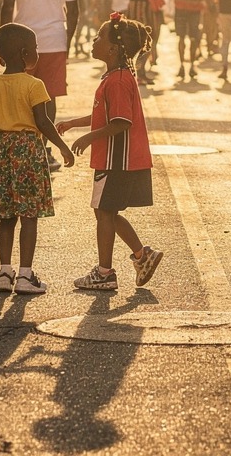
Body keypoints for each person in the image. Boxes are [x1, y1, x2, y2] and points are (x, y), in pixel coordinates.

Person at [0, 24, 75, 295]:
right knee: (29, 215)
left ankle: (4, 273)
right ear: (24, 54)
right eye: (35, 50)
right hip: (28, 151)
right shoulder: (35, 85)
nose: (38, 54)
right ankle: (25, 275)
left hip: (1, 151)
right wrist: (63, 147)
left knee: (6, 216)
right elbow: (43, 122)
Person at [61, 15, 163, 291]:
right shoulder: (117, 76)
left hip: (117, 158)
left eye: (99, 37)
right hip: (120, 158)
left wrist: (88, 137)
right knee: (107, 212)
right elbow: (103, 115)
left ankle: (105, 272)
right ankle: (143, 256)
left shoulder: (117, 80)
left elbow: (120, 122)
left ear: (113, 48)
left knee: (104, 212)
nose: (94, 41)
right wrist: (73, 123)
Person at [0, 0, 82, 114]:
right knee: (48, 96)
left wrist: (4, 45)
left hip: (21, 44)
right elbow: (74, 12)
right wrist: (66, 42)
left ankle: (24, 140)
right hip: (54, 42)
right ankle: (44, 142)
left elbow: (6, 8)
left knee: (20, 95)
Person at [165, 0, 209, 81]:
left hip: (181, 7)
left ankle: (181, 66)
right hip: (196, 7)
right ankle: (192, 66)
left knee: (181, 37)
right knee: (194, 37)